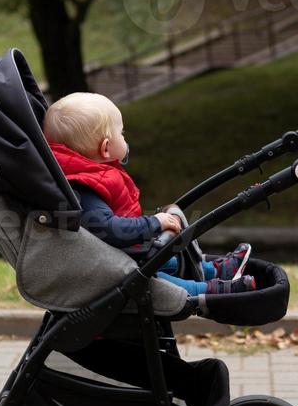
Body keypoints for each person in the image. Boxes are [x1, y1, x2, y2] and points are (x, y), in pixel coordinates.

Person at [43, 92, 255, 296]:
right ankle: (211, 291)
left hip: (124, 255)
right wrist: (154, 223)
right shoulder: (85, 188)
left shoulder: (85, 176)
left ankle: (215, 272)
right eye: (121, 133)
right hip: (117, 266)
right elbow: (111, 229)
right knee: (160, 283)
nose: (124, 138)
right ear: (106, 148)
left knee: (166, 259)